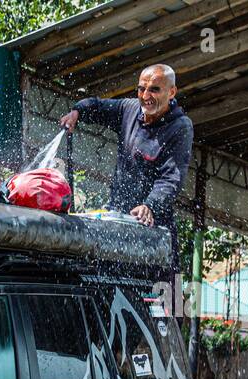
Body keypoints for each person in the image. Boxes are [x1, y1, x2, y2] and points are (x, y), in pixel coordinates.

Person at [59, 64, 194, 281]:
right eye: (141, 89)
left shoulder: (180, 126)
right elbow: (97, 106)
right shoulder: (129, 109)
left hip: (153, 222)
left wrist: (150, 205)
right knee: (107, 280)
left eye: (154, 90)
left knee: (169, 291)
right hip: (118, 214)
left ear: (171, 92)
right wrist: (77, 112)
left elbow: (171, 177)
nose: (146, 96)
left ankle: (172, 314)